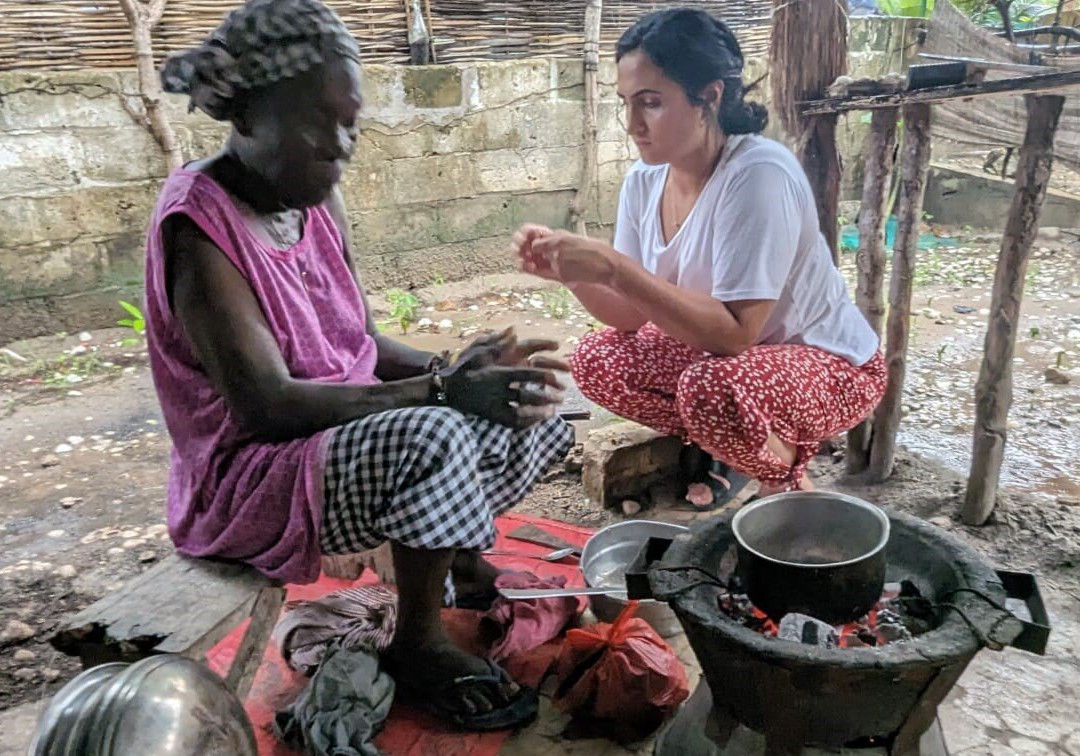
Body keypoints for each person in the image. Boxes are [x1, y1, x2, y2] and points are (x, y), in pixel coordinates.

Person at [146, 0, 573, 730]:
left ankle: (458, 562)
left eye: (351, 121)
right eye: (319, 121)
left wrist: (461, 371)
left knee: (528, 405)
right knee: (434, 433)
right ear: (247, 115)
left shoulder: (311, 197)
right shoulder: (199, 227)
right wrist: (442, 390)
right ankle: (416, 641)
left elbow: (362, 346)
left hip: (334, 445)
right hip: (253, 477)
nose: (341, 144)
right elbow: (266, 407)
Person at [512, 8, 885, 499]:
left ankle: (788, 487)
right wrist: (570, 273)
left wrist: (616, 268)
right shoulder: (645, 181)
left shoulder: (758, 174)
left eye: (651, 103)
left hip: (831, 367)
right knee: (597, 359)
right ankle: (738, 445)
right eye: (626, 103)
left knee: (712, 389)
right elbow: (627, 316)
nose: (632, 124)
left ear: (711, 94)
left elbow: (736, 334)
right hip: (735, 364)